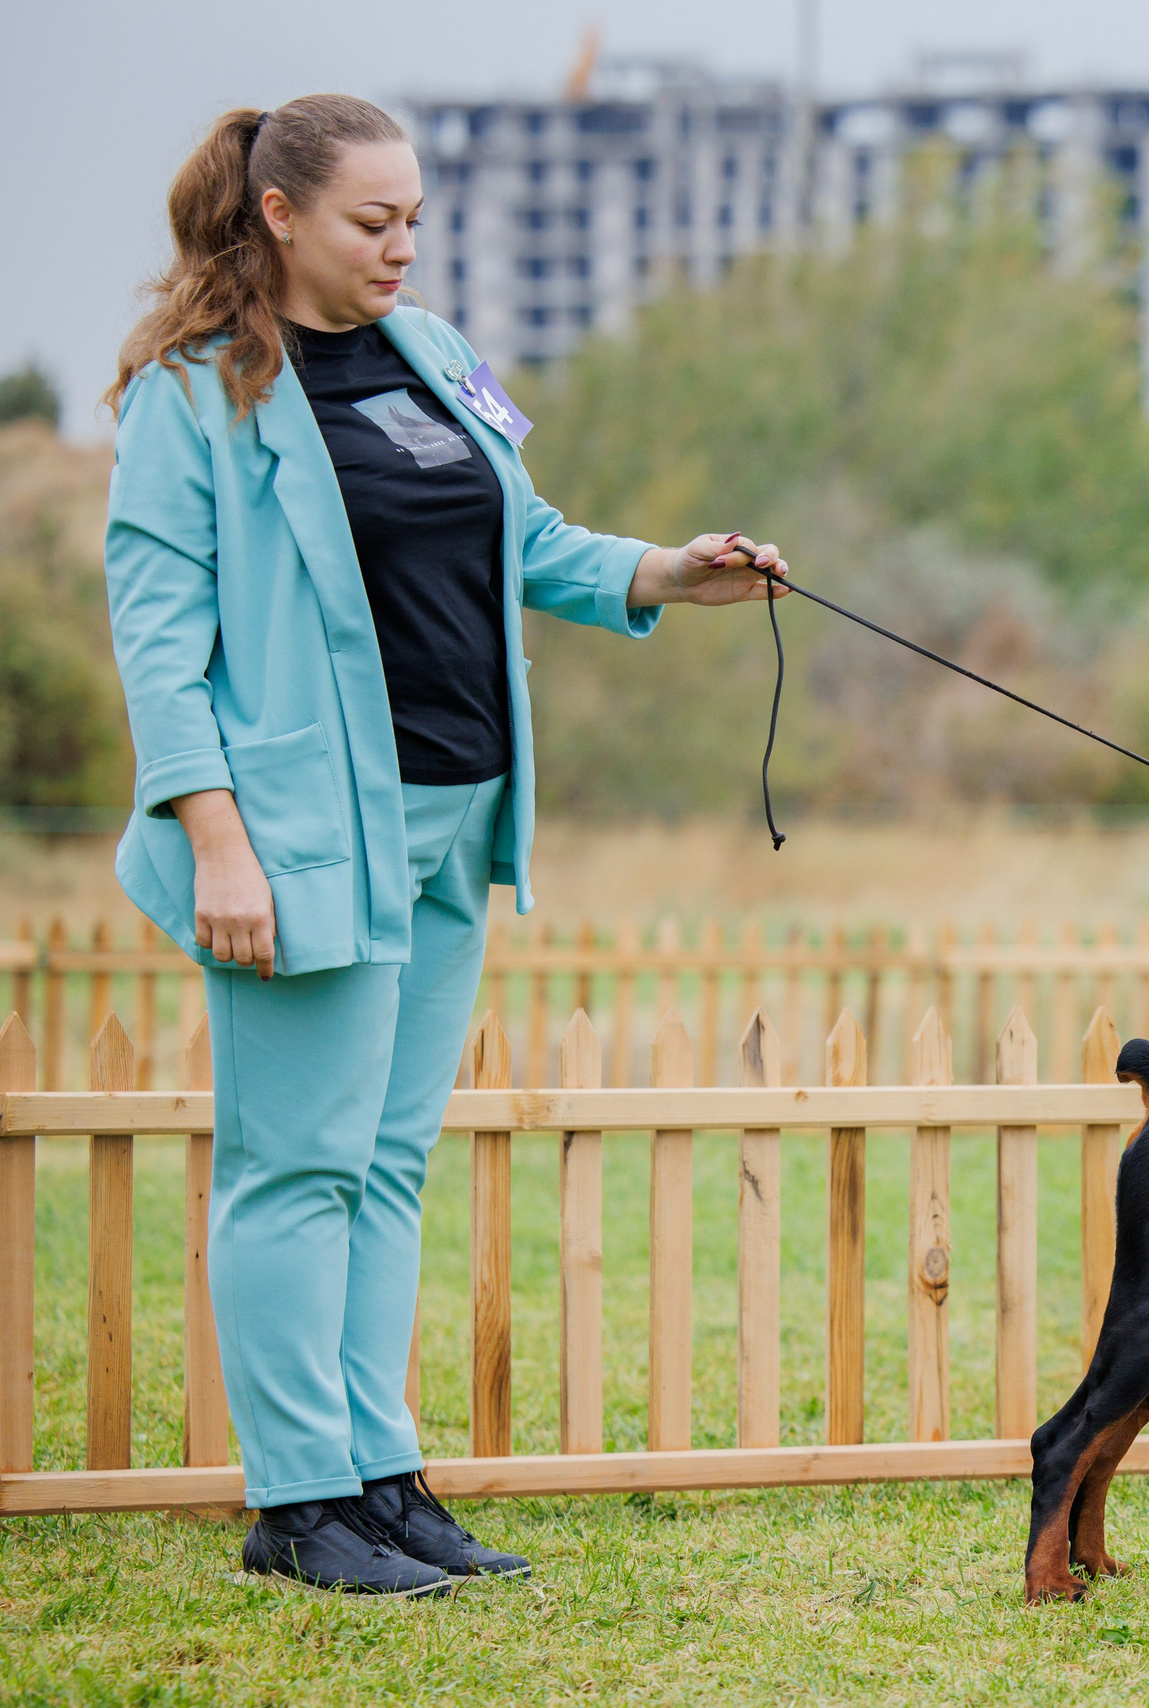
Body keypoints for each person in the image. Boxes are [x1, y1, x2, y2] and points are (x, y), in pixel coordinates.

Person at [102, 95, 789, 1598]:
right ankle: (298, 1509)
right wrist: (218, 846)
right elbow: (160, 647)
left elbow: (528, 543)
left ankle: (380, 1478)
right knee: (296, 1167)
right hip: (295, 838)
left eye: (415, 216)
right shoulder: (193, 391)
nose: (404, 245)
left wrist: (669, 571)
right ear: (281, 216)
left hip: (451, 816)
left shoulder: (432, 357)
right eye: (373, 221)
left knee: (390, 1161)